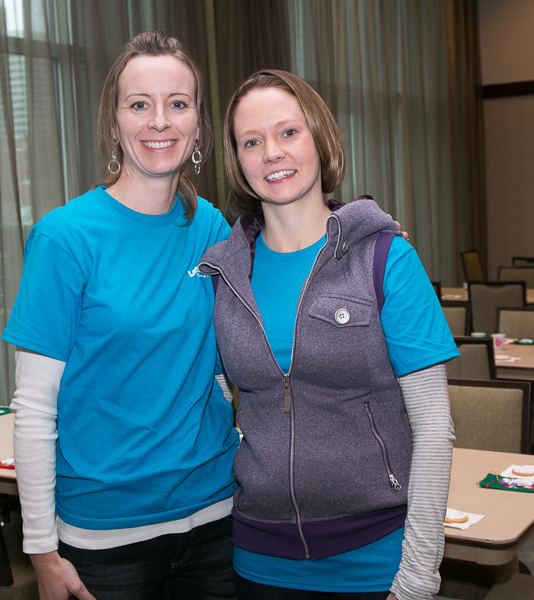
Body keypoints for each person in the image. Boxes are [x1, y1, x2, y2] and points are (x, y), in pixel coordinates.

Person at [198, 69, 458, 600]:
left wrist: (418, 576)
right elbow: (223, 395)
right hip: (257, 558)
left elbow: (434, 429)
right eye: (252, 141)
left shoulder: (385, 258)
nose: (272, 152)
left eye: (288, 132)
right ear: (238, 161)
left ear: (320, 138)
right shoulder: (224, 274)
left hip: (376, 557)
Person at [2, 31, 239, 600]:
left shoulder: (212, 228)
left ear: (198, 124)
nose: (159, 121)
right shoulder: (65, 237)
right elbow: (34, 407)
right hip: (106, 538)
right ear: (113, 123)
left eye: (177, 104)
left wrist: (354, 236)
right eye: (139, 104)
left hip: (220, 521)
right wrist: (41, 550)